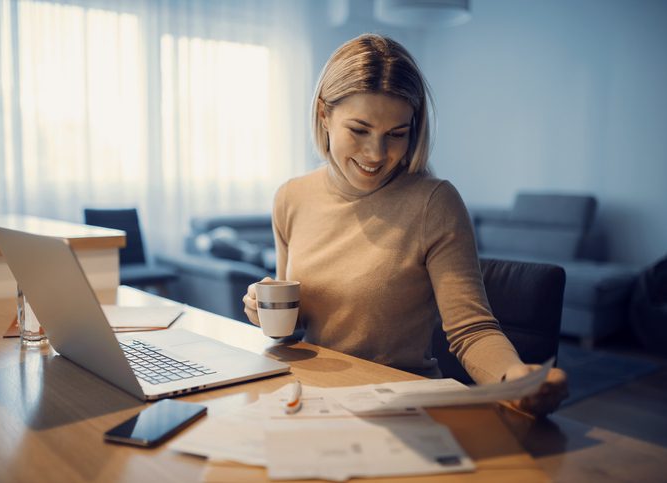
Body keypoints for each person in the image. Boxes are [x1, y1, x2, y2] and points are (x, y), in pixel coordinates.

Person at [242, 33, 568, 416]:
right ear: (323, 115)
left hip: (399, 406)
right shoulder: (291, 197)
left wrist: (515, 379)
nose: (377, 154)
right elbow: (294, 326)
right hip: (314, 398)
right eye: (359, 130)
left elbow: (471, 330)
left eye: (397, 134)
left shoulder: (434, 202)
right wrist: (265, 313)